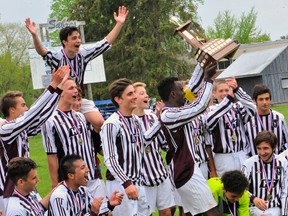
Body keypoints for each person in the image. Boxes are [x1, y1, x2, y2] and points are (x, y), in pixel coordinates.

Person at [25, 6, 128, 133]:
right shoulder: (57, 57)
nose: (78, 40)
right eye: (74, 38)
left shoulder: (83, 54)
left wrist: (119, 23)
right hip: (61, 100)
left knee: (100, 123)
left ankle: (93, 145)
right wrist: (35, 35)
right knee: (65, 129)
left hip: (78, 98)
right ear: (64, 42)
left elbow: (105, 43)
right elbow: (42, 51)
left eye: (78, 37)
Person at [0, 66, 69, 212]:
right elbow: (32, 114)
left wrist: (58, 90)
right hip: (11, 192)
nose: (26, 108)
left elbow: (42, 116)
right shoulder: (5, 129)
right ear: (12, 109)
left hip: (27, 188)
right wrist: (52, 86)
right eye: (23, 105)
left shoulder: (21, 129)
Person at [157, 62, 219, 216]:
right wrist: (208, 80)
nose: (184, 92)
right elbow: (200, 106)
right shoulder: (169, 114)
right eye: (180, 90)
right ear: (173, 94)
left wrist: (202, 62)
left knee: (192, 214)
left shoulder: (174, 109)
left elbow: (192, 86)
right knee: (213, 213)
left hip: (186, 169)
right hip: (187, 171)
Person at [41, 77, 111, 214]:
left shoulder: (80, 117)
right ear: (60, 92)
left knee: (105, 212)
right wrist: (55, 183)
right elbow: (51, 155)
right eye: (71, 88)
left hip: (92, 176)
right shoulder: (50, 121)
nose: (76, 91)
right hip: (72, 181)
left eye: (76, 88)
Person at [100, 78, 161, 216]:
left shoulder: (135, 120)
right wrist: (127, 184)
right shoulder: (111, 124)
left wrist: (160, 121)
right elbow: (110, 159)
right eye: (130, 94)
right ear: (118, 99)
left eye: (134, 93)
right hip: (121, 184)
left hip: (138, 182)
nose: (134, 97)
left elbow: (143, 142)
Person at [132, 82, 175, 216]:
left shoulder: (152, 116)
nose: (146, 95)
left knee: (168, 211)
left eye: (145, 92)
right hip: (143, 178)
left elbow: (164, 144)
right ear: (133, 97)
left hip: (160, 173)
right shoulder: (129, 121)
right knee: (146, 213)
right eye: (142, 93)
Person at [205, 78, 255, 177]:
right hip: (223, 157)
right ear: (214, 93)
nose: (224, 93)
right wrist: (227, 102)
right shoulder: (211, 110)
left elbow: (253, 108)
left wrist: (237, 90)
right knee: (227, 188)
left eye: (227, 90)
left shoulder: (238, 107)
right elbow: (208, 123)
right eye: (221, 91)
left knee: (245, 185)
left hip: (241, 153)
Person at [49, 154, 123, 215]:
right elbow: (93, 212)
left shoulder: (82, 190)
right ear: (71, 176)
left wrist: (110, 204)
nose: (88, 170)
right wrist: (93, 213)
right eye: (82, 168)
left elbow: (95, 210)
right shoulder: (59, 198)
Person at [242, 131, 288, 216]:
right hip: (254, 209)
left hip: (275, 209)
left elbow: (285, 192)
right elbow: (241, 188)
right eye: (259, 148)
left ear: (274, 147)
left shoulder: (283, 163)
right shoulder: (249, 163)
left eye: (265, 148)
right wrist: (253, 198)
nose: (262, 153)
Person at [244, 84, 288, 156]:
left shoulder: (279, 118)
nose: (265, 102)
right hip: (256, 163)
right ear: (254, 101)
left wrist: (281, 157)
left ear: (270, 99)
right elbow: (245, 144)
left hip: (277, 162)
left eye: (267, 99)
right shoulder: (248, 119)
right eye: (261, 99)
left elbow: (286, 141)